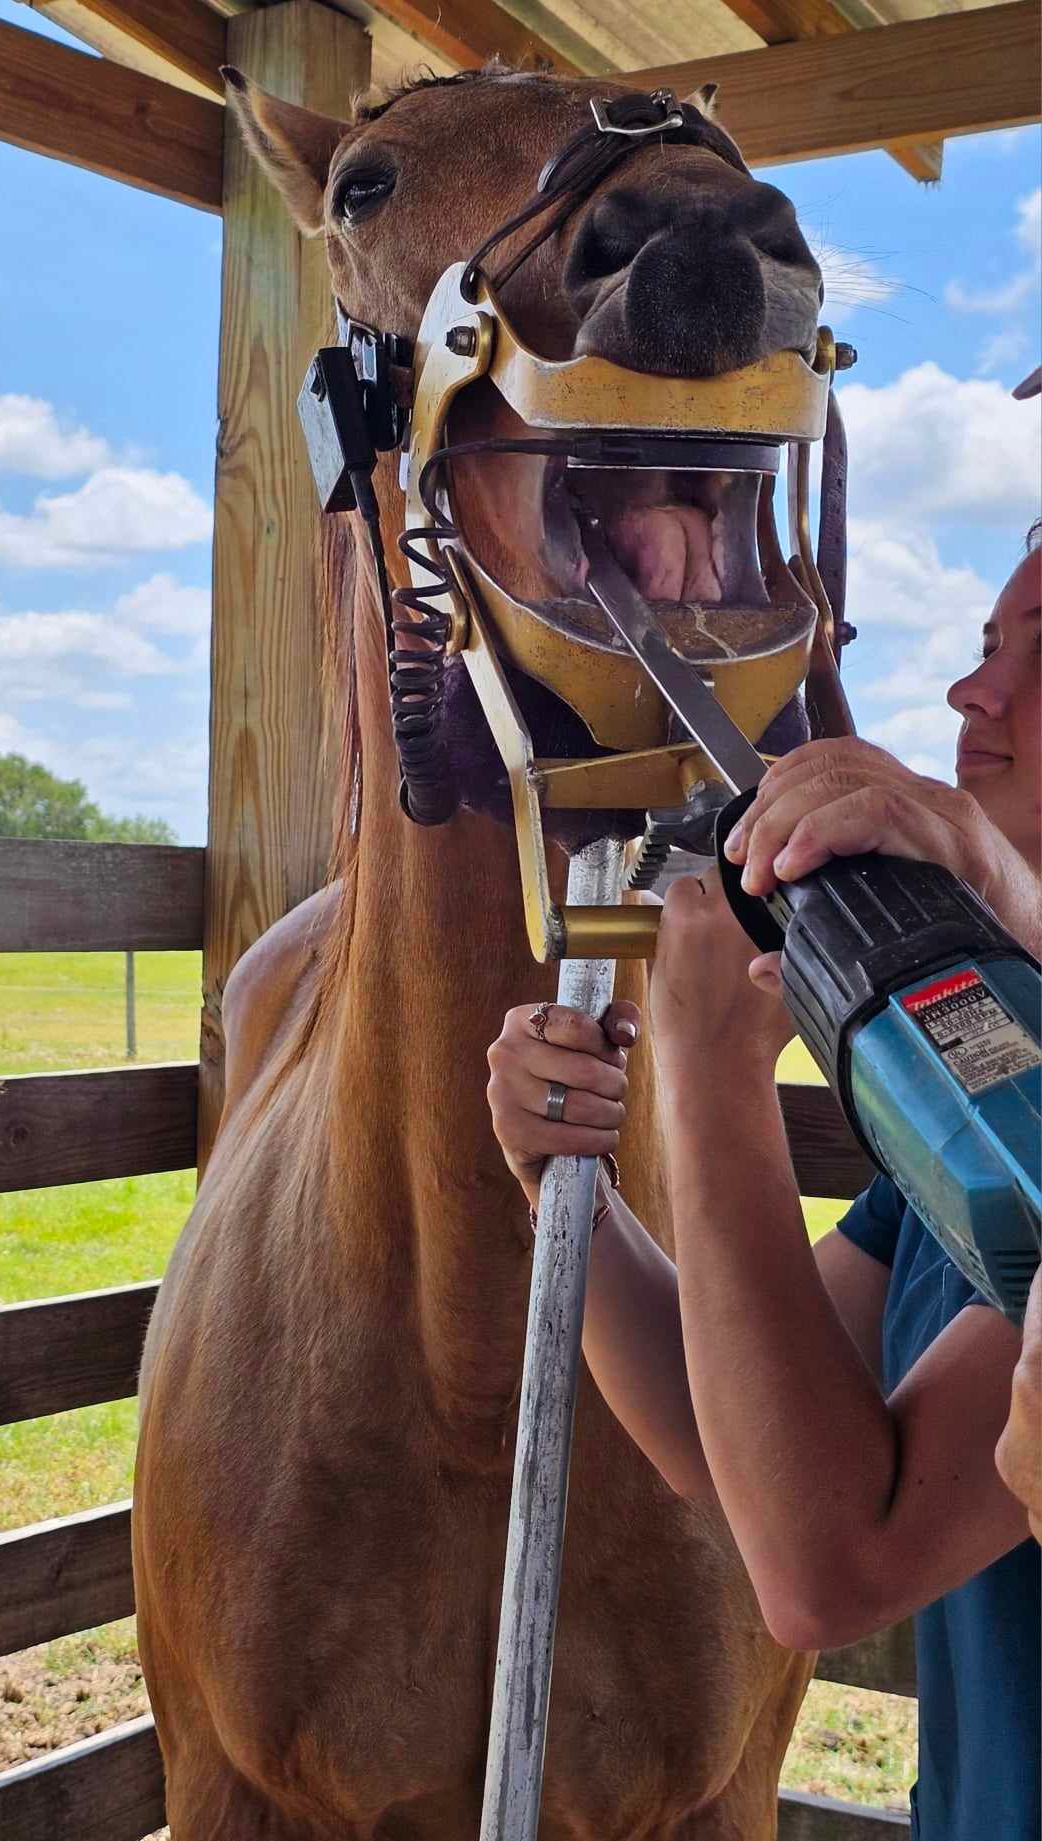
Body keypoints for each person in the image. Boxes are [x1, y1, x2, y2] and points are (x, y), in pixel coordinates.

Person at [486, 533, 1041, 1838]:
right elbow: (713, 1426)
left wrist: (710, 1068)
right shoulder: (989, 1070)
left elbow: (829, 1562)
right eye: (983, 647)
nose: (975, 694)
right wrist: (562, 1182)